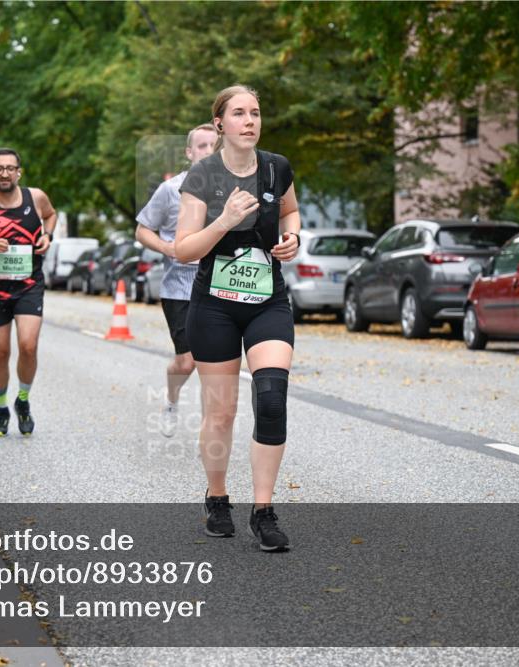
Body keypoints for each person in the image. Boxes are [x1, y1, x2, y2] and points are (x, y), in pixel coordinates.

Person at [175, 85, 301, 552]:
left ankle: (264, 511)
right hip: (215, 305)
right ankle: (217, 496)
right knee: (222, 411)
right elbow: (183, 249)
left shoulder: (276, 167)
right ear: (219, 125)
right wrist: (224, 220)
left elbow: (290, 212)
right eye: (239, 113)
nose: (250, 121)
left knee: (271, 399)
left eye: (256, 113)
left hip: (268, 299)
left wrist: (292, 239)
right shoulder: (202, 175)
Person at [0, 148, 56, 437]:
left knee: (28, 346)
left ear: (19, 172)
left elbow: (51, 215)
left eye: (10, 168)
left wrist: (47, 235)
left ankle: (24, 401)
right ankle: (2, 407)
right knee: (0, 352)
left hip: (29, 284)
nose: (4, 173)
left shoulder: (36, 197)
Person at [136, 124, 217, 437]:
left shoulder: (231, 189)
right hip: (180, 288)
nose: (208, 152)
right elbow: (143, 230)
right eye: (202, 146)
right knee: (187, 363)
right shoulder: (171, 191)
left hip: (218, 286)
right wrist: (167, 247)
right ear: (189, 152)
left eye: (214, 146)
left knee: (217, 362)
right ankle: (171, 401)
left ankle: (213, 425)